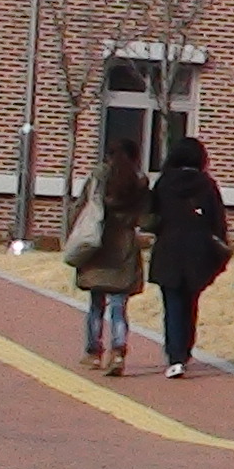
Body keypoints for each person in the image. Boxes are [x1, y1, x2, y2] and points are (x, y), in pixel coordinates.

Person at [145, 140, 231, 380]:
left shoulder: (164, 182)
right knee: (190, 302)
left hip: (168, 249)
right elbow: (217, 220)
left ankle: (175, 357)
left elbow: (153, 217)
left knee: (172, 304)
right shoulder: (207, 184)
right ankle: (185, 350)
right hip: (198, 251)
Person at [70, 138, 151, 376]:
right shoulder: (139, 182)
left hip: (97, 247)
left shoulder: (98, 178)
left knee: (96, 305)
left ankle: (93, 353)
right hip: (124, 249)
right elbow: (146, 217)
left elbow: (80, 207)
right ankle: (118, 352)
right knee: (118, 306)